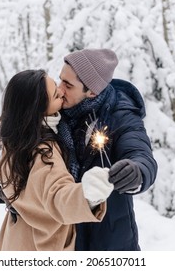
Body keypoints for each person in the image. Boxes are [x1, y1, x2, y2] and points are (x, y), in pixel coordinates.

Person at [0, 69, 114, 251]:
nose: (62, 91)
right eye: (56, 94)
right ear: (37, 109)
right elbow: (58, 196)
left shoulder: (16, 139)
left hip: (16, 241)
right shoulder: (44, 152)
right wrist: (87, 194)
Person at [56, 48, 158, 250]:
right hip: (64, 240)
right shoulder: (54, 113)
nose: (59, 89)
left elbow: (140, 153)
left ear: (92, 91)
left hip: (109, 240)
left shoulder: (120, 115)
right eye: (60, 80)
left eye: (68, 85)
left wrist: (136, 171)